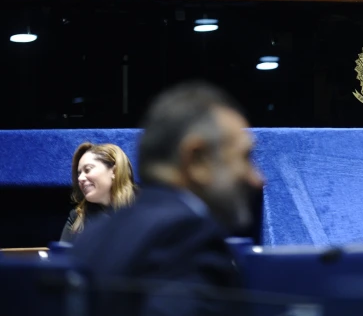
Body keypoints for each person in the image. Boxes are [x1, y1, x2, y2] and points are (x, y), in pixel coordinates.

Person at [72, 82, 265, 315]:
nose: (257, 179)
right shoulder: (188, 237)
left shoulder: (91, 238)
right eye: (245, 156)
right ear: (197, 159)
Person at [60, 142, 136, 243]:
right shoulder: (77, 217)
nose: (80, 178)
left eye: (88, 170)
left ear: (114, 171)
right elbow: (62, 257)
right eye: (79, 173)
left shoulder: (146, 209)